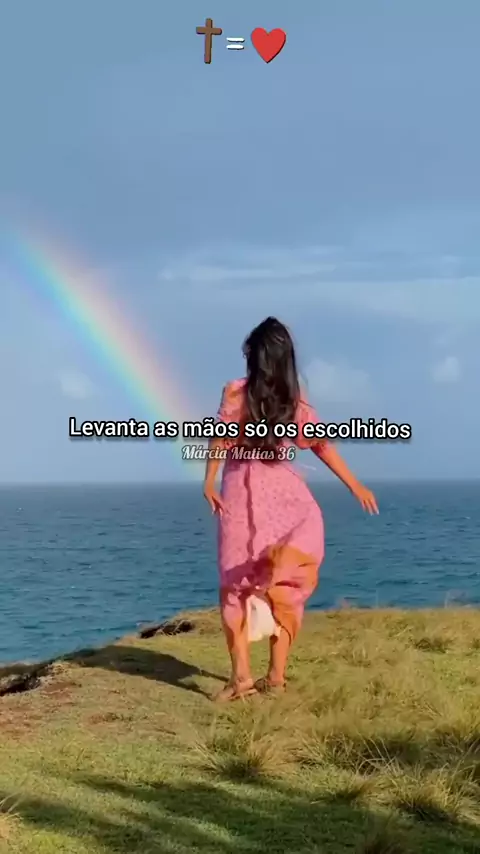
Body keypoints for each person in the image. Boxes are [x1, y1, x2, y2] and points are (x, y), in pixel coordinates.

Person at [203, 317, 378, 702]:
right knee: (282, 587)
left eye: (250, 351)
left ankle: (244, 678)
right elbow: (322, 445)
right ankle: (275, 678)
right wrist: (355, 485)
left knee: (235, 587)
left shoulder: (236, 392)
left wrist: (209, 480)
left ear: (258, 356)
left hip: (244, 498)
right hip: (281, 498)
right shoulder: (292, 400)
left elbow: (220, 438)